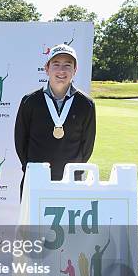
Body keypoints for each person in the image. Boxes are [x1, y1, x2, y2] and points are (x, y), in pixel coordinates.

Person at [14, 44, 96, 196]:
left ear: (75, 70)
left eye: (67, 65)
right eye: (56, 64)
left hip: (71, 180)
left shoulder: (86, 104)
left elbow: (87, 145)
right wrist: (31, 168)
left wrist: (75, 171)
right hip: (36, 179)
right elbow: (20, 141)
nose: (61, 71)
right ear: (47, 68)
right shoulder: (30, 101)